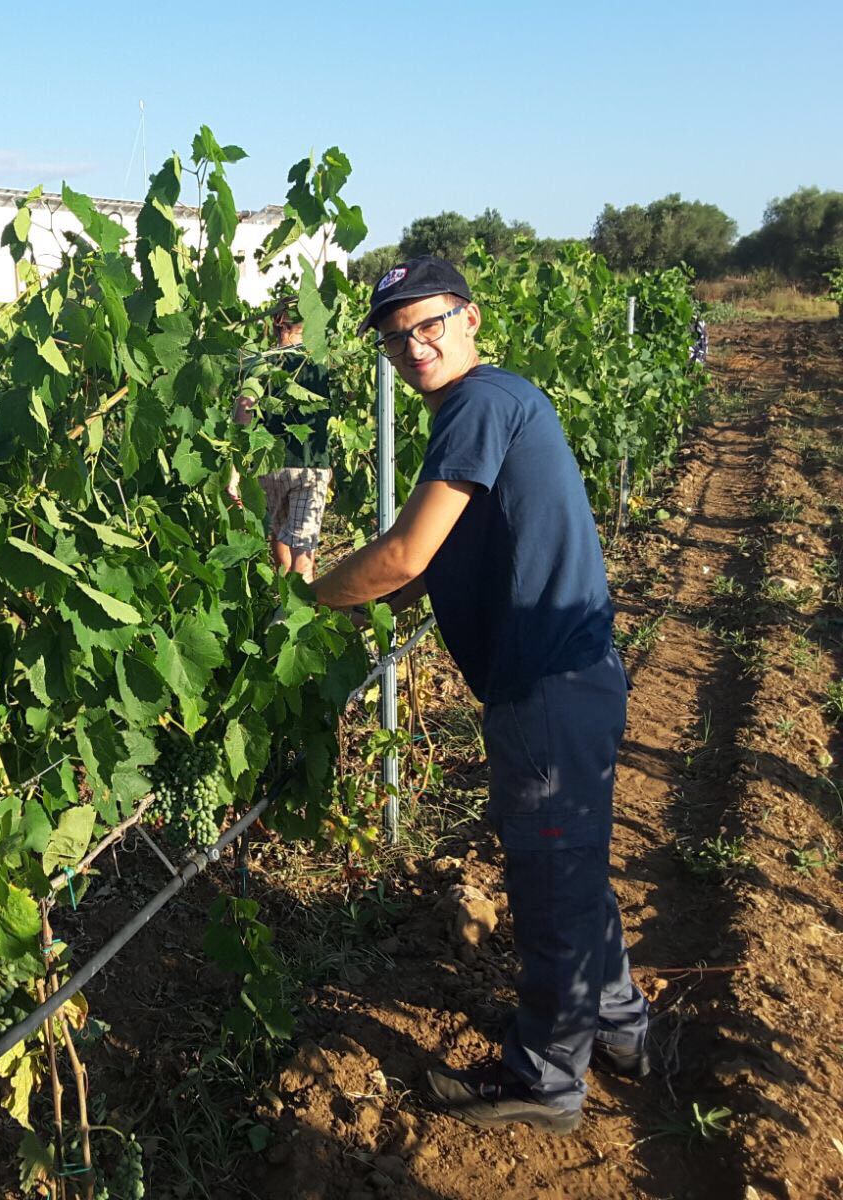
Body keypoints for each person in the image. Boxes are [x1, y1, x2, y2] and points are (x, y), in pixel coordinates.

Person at [302, 255, 649, 1133]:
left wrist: (310, 595)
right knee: (573, 876)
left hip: (545, 690)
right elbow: (438, 559)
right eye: (395, 337)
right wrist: (362, 590)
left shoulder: (479, 406)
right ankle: (621, 1029)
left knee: (550, 886)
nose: (414, 346)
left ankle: (545, 1081)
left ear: (471, 317)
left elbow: (409, 553)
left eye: (431, 324)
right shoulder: (492, 405)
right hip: (571, 679)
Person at [228, 298, 335, 579]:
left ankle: (283, 595)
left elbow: (245, 407)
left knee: (278, 531)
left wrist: (235, 472)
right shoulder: (322, 362)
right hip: (312, 466)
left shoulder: (260, 363)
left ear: (276, 323)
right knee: (304, 547)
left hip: (270, 463)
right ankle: (299, 609)